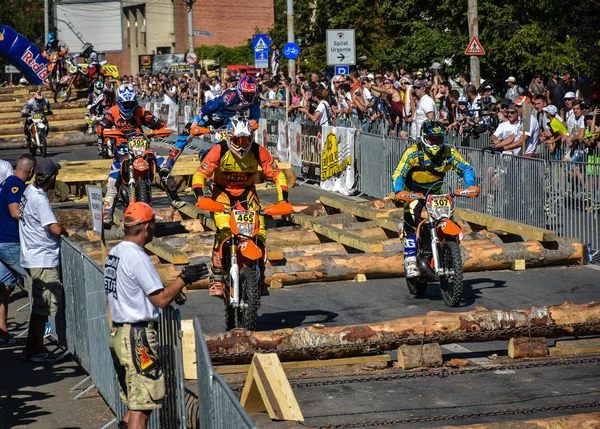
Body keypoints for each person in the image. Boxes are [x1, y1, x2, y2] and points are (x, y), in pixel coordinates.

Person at [105, 202, 207, 429]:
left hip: (119, 332)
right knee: (142, 409)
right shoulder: (137, 256)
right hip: (137, 338)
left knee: (136, 403)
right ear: (146, 227)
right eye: (153, 224)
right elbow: (160, 300)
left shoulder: (116, 252)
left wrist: (173, 290)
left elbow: (137, 285)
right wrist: (183, 279)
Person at [192, 117, 288, 297]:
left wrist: (283, 200)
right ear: (229, 138)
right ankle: (218, 276)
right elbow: (200, 174)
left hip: (247, 194)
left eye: (245, 140)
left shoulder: (258, 151)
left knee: (260, 233)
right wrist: (200, 197)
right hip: (222, 193)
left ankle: (260, 275)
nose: (242, 145)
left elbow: (277, 174)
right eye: (238, 140)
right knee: (224, 229)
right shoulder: (219, 150)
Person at [391, 119, 479, 278]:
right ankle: (410, 257)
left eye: (438, 139)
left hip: (437, 193)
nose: (435, 142)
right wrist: (399, 190)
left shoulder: (449, 153)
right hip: (414, 192)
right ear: (423, 138)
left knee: (446, 218)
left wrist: (470, 185)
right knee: (411, 216)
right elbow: (399, 173)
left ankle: (447, 250)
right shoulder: (412, 152)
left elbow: (466, 168)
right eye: (431, 139)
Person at [97, 84, 184, 225]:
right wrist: (103, 136)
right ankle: (107, 213)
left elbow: (156, 122)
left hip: (142, 147)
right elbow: (101, 126)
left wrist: (161, 129)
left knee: (164, 167)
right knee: (112, 181)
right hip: (122, 150)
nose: (128, 106)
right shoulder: (112, 112)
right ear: (119, 102)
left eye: (131, 103)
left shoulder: (140, 111)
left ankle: (174, 199)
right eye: (126, 104)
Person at [19, 159, 69, 362]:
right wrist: (67, 233)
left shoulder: (29, 191)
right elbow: (54, 227)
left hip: (32, 256)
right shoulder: (39, 198)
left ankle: (31, 348)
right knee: (44, 307)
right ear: (52, 178)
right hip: (41, 258)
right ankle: (37, 350)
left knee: (39, 306)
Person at [160, 75, 260, 174]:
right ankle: (169, 163)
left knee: (228, 143)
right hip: (208, 116)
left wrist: (251, 124)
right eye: (247, 94)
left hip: (224, 120)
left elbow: (255, 118)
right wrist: (196, 121)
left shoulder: (255, 99)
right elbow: (205, 108)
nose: (249, 97)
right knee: (186, 134)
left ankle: (207, 154)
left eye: (251, 94)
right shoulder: (229, 97)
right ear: (240, 91)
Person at [0, 154, 36, 346]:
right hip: (10, 243)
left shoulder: (5, 182)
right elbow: (15, 211)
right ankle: (40, 333)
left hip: (1, 241)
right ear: (31, 171)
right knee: (36, 281)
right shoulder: (16, 185)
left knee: (4, 288)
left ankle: (3, 332)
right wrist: (34, 223)